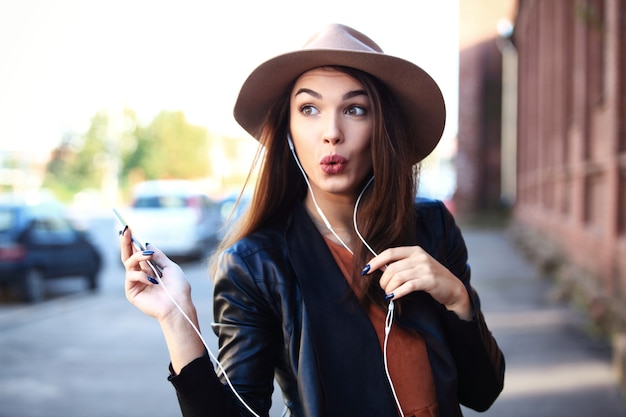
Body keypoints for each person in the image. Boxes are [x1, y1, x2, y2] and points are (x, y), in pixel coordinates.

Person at [120, 23, 505, 417]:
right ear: (288, 130)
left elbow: (483, 391)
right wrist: (175, 318)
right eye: (309, 109)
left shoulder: (432, 226)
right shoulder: (255, 265)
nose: (331, 133)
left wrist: (458, 299)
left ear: (383, 127)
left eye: (354, 109)